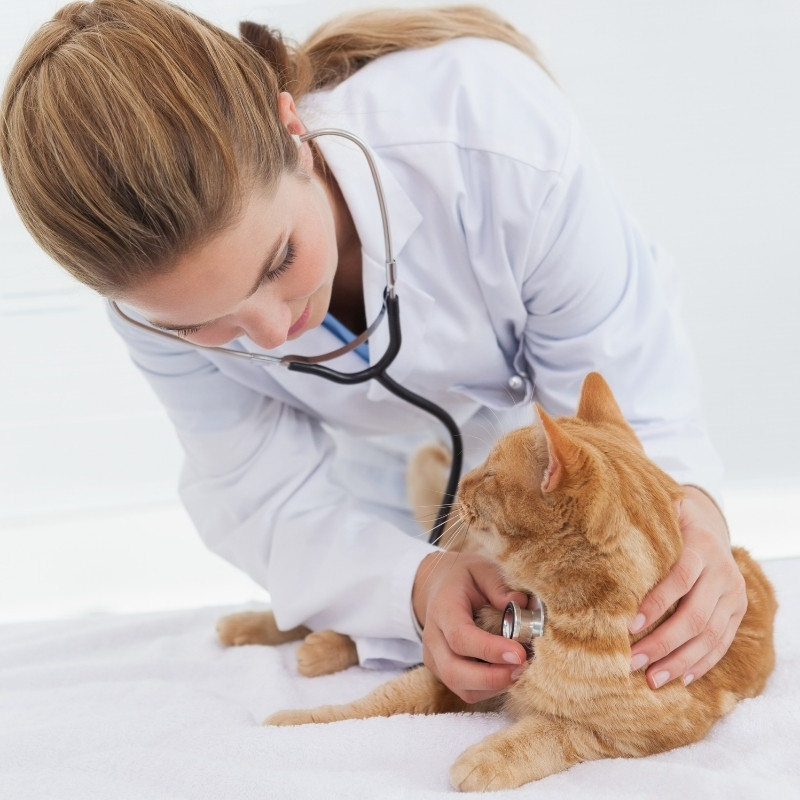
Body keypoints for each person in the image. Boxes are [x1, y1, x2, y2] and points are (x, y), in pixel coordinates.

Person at [0, 0, 746, 703]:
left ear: (293, 132)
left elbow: (622, 397)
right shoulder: (145, 313)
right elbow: (262, 497)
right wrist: (417, 587)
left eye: (277, 262)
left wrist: (694, 517)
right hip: (378, 471)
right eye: (205, 324)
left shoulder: (490, 131)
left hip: (526, 449)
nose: (269, 333)